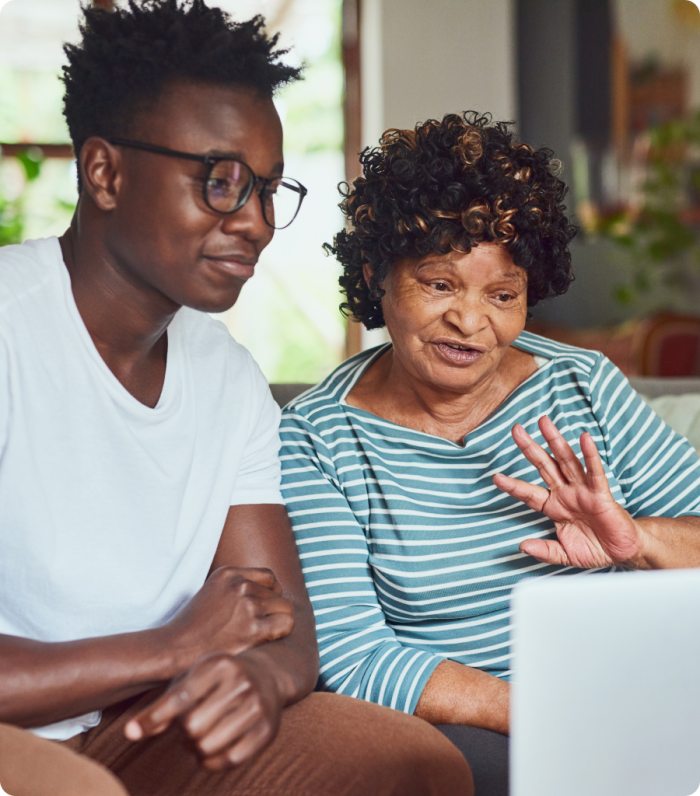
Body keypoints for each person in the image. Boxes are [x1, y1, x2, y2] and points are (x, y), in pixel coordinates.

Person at [0, 4, 474, 795]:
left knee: (414, 763)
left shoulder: (227, 376)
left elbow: (286, 627)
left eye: (268, 190)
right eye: (220, 182)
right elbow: (201, 637)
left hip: (143, 724)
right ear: (105, 173)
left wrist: (257, 678)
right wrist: (174, 648)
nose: (255, 223)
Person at [279, 111, 700, 796]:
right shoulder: (317, 438)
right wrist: (552, 716)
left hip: (637, 690)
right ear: (376, 274)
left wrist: (636, 539)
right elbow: (353, 658)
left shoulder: (581, 384)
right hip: (472, 728)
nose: (471, 322)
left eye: (502, 295)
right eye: (439, 284)